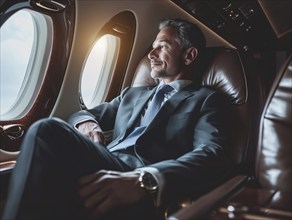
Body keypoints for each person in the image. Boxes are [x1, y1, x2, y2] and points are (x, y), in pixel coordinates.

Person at [2, 18, 233, 220]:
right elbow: (84, 114)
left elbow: (211, 152)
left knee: (46, 131)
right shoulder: (132, 94)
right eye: (152, 48)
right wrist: (88, 123)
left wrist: (146, 179)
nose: (151, 55)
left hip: (136, 175)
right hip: (104, 161)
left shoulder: (205, 99)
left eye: (162, 47)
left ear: (189, 55)